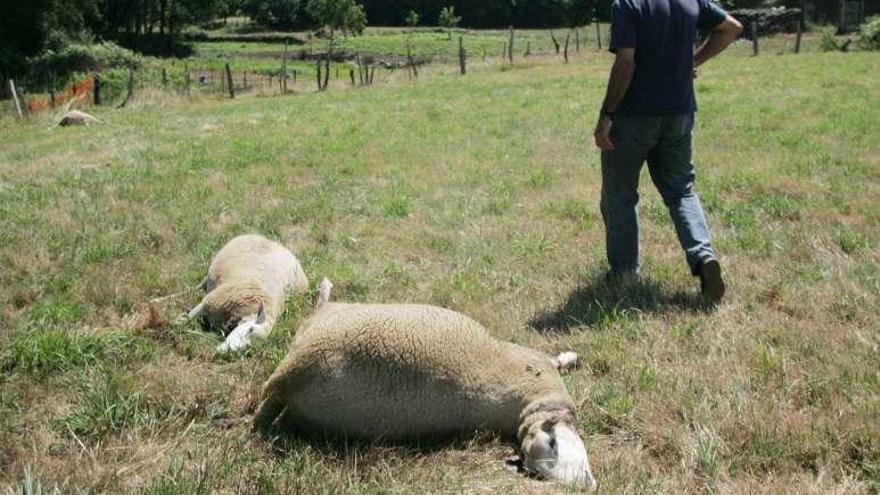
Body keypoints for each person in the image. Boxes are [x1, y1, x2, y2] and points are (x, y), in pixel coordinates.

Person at [593, 0, 742, 302]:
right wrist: (694, 61)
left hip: (634, 116)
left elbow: (626, 62)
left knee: (620, 195)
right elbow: (731, 28)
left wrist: (607, 114)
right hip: (680, 113)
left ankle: (624, 274)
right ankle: (703, 256)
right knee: (681, 191)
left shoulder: (628, 5)